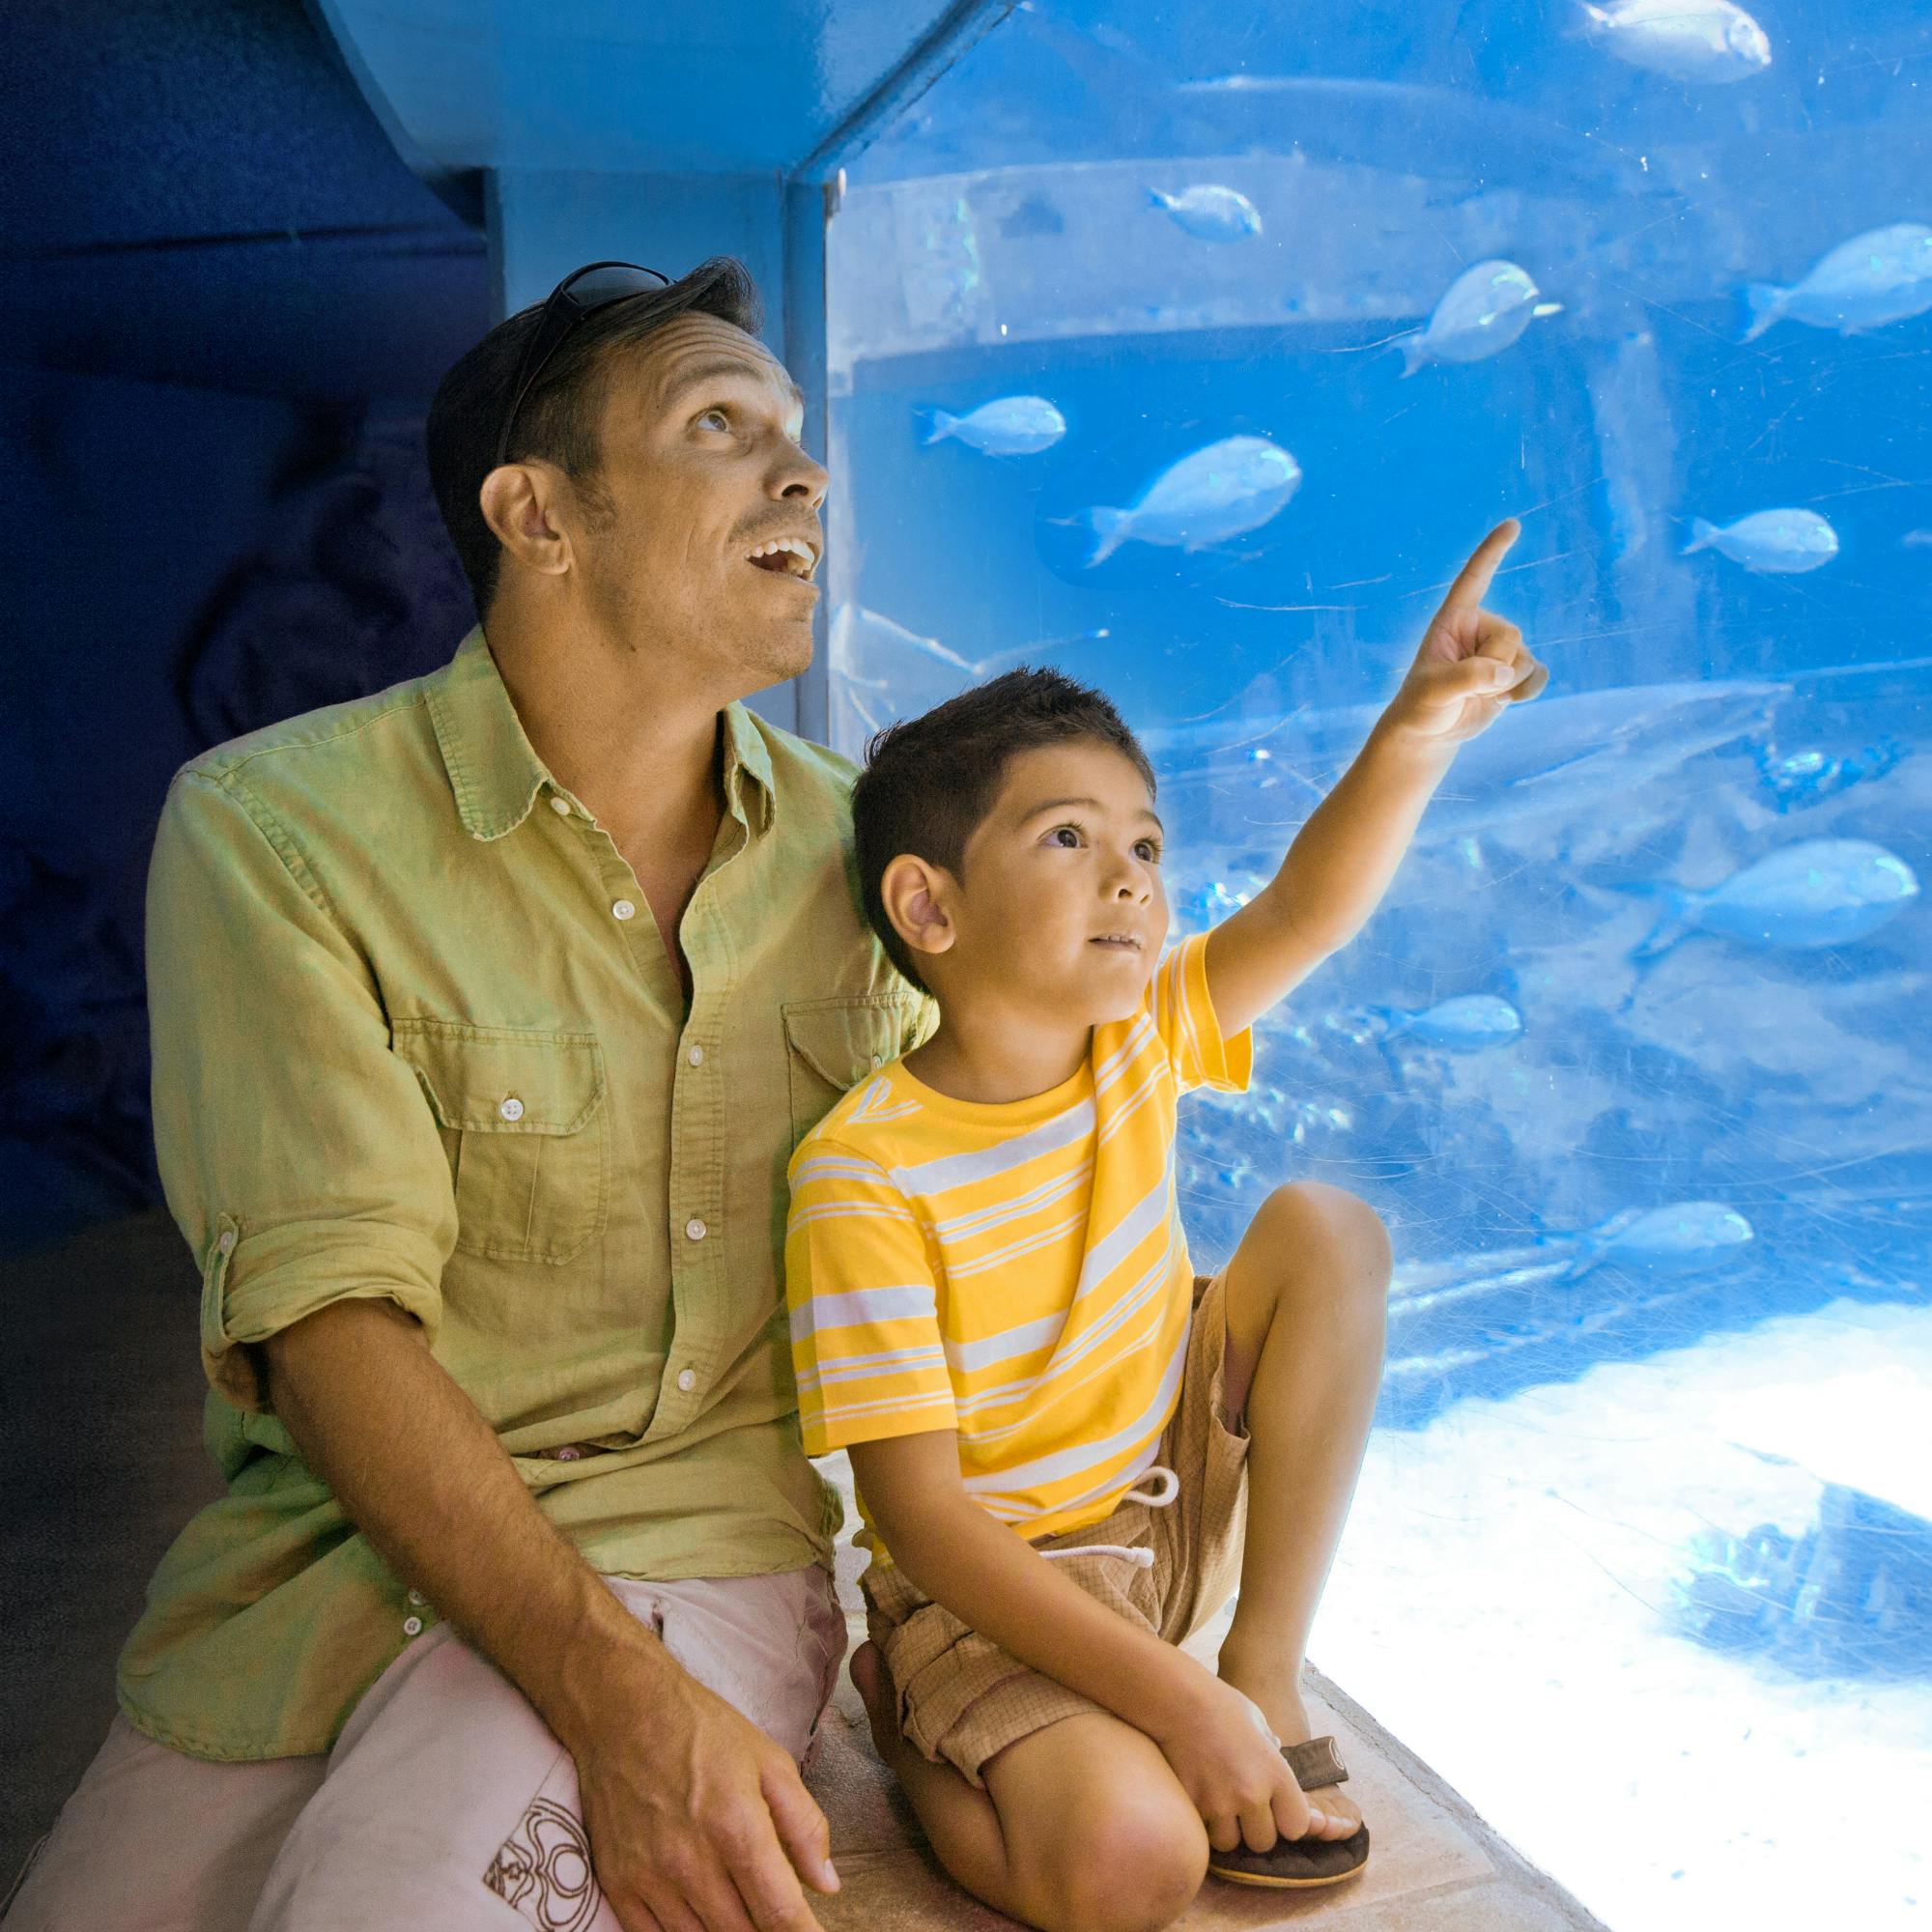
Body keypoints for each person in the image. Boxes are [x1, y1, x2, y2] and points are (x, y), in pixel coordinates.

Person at [6, 257, 934, 1932]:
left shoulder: (872, 859)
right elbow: (329, 1325)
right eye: (719, 426)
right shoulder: (273, 832)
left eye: (795, 431)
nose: (802, 472)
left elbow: (1050, 1139)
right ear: (539, 515)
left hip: (691, 1551)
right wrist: (616, 1704)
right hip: (319, 1582)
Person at [783, 521, 1547, 1932]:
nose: (1131, 875)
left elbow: (1306, 912)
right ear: (927, 905)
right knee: (1133, 1868)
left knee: (1327, 1228)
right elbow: (921, 1518)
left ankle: (1264, 1662)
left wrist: (1416, 729)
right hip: (995, 1586)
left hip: (1167, 1504)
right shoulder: (864, 1177)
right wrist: (1172, 1712)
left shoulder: (1133, 1041)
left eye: (1144, 841)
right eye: (1068, 839)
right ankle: (908, 1723)